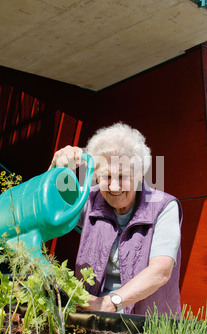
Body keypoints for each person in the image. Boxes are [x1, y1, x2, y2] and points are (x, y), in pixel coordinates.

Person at [50, 122, 182, 316]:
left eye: (122, 176)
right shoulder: (89, 200)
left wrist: (110, 303)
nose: (113, 187)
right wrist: (56, 169)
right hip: (93, 317)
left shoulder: (163, 206)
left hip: (146, 325)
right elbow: (48, 207)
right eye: (106, 176)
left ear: (139, 175)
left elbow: (160, 271)